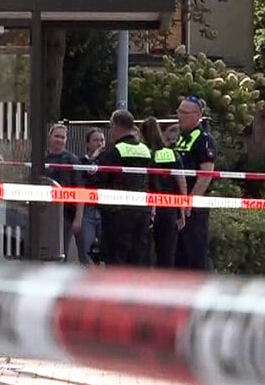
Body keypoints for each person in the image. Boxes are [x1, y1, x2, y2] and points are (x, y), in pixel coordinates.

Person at [93, 110, 152, 266]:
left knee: (116, 258)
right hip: (142, 210)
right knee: (138, 257)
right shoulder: (146, 150)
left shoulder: (113, 152)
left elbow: (99, 179)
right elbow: (152, 180)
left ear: (115, 126)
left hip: (118, 212)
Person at [173, 96, 217, 270]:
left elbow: (206, 175)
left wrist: (189, 203)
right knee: (180, 257)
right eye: (178, 111)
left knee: (197, 255)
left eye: (183, 112)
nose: (179, 116)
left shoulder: (204, 140)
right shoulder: (181, 138)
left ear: (196, 116)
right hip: (178, 207)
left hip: (193, 209)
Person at [142, 116, 187, 268]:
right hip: (169, 208)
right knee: (167, 256)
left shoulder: (143, 153)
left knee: (143, 255)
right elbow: (182, 184)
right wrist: (182, 212)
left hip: (147, 209)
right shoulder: (172, 154)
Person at [43, 123, 85, 264]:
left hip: (65, 215)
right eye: (57, 136)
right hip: (44, 213)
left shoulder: (72, 161)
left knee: (61, 253)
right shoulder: (43, 160)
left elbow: (80, 190)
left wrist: (78, 218)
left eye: (62, 137)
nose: (59, 140)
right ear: (50, 137)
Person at [79, 128, 105, 265]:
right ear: (88, 144)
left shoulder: (107, 160)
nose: (100, 143)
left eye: (102, 140)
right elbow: (87, 175)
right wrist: (93, 158)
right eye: (96, 140)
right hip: (87, 209)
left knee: (105, 248)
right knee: (87, 248)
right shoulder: (81, 161)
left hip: (103, 208)